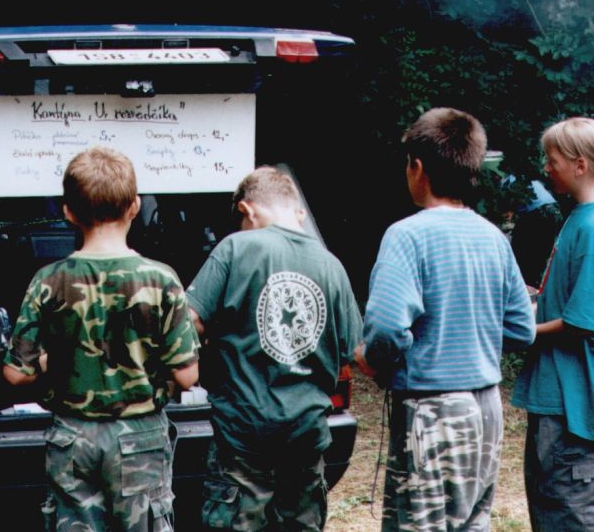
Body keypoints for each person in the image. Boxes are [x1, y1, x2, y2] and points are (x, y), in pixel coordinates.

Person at [355, 107, 536, 531]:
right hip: (487, 407)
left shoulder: (407, 235)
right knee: (472, 524)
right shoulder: (493, 237)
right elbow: (521, 329)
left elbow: (386, 328)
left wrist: (373, 360)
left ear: (417, 167)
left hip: (431, 409)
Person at [2, 146, 200, 531]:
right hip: (141, 437)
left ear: (68, 212)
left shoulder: (47, 280)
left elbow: (15, 374)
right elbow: (187, 375)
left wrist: (54, 361)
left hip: (72, 438)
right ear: (135, 207)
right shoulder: (161, 279)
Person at [184, 165, 362, 531]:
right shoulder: (332, 266)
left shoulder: (236, 247)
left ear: (247, 210)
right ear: (298, 212)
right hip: (306, 436)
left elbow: (190, 320)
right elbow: (354, 351)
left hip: (243, 437)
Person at [511, 117, 594, 532]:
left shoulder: (592, 226)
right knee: (548, 504)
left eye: (552, 159)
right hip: (554, 396)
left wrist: (520, 331)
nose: (546, 168)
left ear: (580, 165)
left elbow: (583, 321)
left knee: (565, 508)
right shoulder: (577, 218)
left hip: (570, 402)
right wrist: (533, 299)